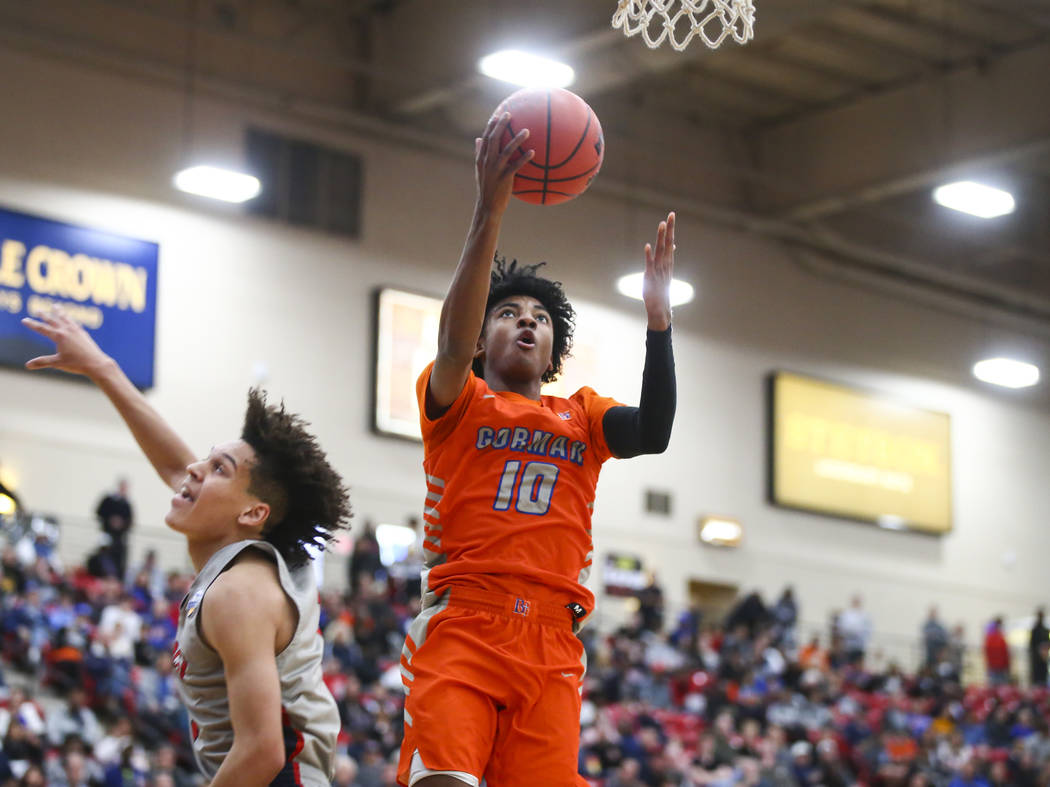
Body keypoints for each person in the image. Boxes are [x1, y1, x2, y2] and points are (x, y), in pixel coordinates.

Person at [396, 111, 677, 787]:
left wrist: (659, 325)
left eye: (541, 318)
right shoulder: (456, 401)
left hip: (553, 640)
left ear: (553, 352)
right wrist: (489, 212)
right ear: (482, 335)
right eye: (508, 312)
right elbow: (450, 343)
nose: (527, 319)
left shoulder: (581, 414)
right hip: (465, 620)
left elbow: (657, 431)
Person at [22, 309, 351, 786]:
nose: (194, 469)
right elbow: (178, 469)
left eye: (218, 469)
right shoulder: (247, 556)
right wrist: (104, 369)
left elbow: (261, 753)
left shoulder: (239, 593)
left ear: (253, 513)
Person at [95, 478, 133, 579]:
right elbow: (99, 513)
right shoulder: (108, 500)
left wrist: (121, 524)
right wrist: (110, 520)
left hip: (119, 538)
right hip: (106, 534)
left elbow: (130, 521)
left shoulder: (127, 504)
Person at [983, 616, 1011, 686]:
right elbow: (1005, 652)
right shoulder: (999, 638)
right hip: (999, 666)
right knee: (1000, 685)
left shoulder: (990, 637)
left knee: (994, 684)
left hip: (994, 665)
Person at [1029, 607, 1048, 687]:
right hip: (1038, 659)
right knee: (1039, 677)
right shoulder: (1039, 630)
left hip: (1040, 659)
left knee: (1040, 677)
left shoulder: (1043, 630)